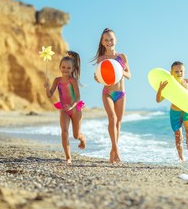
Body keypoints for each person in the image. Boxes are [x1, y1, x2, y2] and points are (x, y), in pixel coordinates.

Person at [92, 28, 131, 164]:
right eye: (106, 40)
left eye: (111, 39)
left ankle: (112, 151)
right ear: (102, 43)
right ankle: (116, 150)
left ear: (116, 40)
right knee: (112, 118)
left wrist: (119, 70)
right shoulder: (101, 59)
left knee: (118, 123)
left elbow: (129, 75)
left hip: (121, 93)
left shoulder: (122, 57)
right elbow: (100, 77)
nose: (109, 42)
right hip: (107, 92)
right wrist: (97, 78)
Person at [156, 61, 188, 162]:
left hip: (187, 110)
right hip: (175, 112)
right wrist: (160, 90)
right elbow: (158, 100)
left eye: (181, 71)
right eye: (176, 71)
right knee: (178, 137)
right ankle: (181, 158)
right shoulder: (169, 85)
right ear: (171, 73)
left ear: (184, 72)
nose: (179, 74)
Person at [44, 55, 86, 164]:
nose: (65, 70)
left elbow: (77, 97)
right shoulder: (57, 80)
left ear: (72, 69)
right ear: (59, 67)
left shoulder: (73, 80)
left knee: (75, 135)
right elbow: (49, 95)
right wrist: (47, 88)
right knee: (64, 132)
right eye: (63, 67)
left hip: (75, 109)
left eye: (68, 68)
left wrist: (72, 106)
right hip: (64, 110)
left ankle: (82, 138)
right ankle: (68, 157)